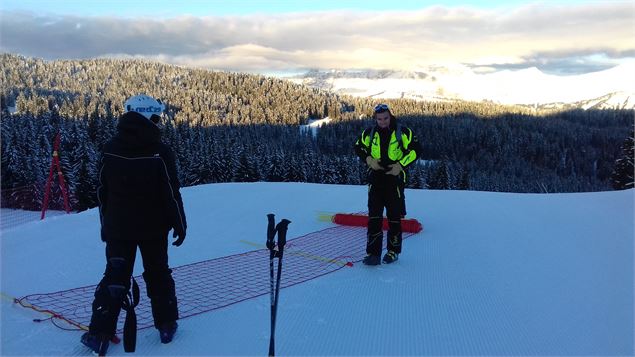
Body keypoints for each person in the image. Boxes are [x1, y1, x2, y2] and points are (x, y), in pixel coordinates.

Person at [81, 94, 187, 355]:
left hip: (119, 229)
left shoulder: (110, 147)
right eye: (157, 116)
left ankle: (99, 333)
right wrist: (180, 223)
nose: (159, 121)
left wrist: (106, 225)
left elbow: (102, 191)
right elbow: (171, 192)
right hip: (153, 229)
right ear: (148, 115)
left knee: (115, 277)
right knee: (158, 273)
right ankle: (166, 324)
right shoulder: (160, 151)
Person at [354, 103, 421, 265]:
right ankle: (373, 254)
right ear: (375, 119)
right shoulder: (369, 133)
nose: (383, 122)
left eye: (385, 118)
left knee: (394, 218)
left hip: (394, 180)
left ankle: (393, 251)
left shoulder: (403, 132)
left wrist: (400, 165)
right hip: (375, 180)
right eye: (379, 119)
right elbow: (358, 147)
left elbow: (416, 150)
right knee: (374, 218)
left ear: (390, 116)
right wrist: (369, 160)